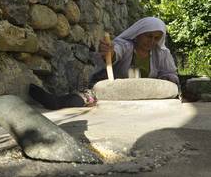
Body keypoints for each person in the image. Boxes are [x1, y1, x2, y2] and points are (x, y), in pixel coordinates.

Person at [29, 17, 179, 109]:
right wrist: (109, 51)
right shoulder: (126, 45)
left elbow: (170, 73)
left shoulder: (162, 53)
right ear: (138, 33)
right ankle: (56, 102)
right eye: (148, 36)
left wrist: (168, 80)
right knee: (88, 97)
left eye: (156, 38)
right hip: (115, 90)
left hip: (142, 96)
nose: (151, 41)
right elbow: (116, 51)